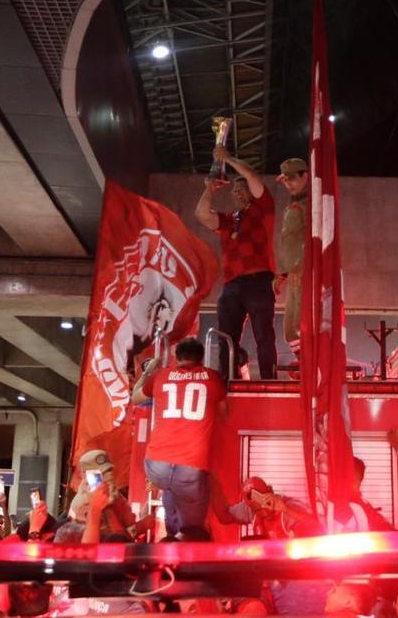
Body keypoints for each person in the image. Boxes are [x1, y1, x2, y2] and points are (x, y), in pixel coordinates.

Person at [195, 147, 278, 379]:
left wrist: (228, 159)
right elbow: (202, 214)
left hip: (259, 280)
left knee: (264, 333)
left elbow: (252, 176)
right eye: (235, 190)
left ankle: (268, 380)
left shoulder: (263, 209)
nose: (238, 193)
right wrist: (209, 189)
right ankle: (225, 379)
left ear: (251, 192)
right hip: (232, 284)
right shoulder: (230, 220)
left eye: (242, 189)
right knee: (225, 336)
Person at [132, 337, 227, 536]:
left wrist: (149, 370)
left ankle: (171, 537)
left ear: (176, 358)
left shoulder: (161, 375)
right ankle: (182, 540)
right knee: (192, 530)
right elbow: (223, 413)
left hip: (155, 465)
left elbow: (136, 397)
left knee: (170, 486)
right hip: (190, 467)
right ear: (201, 359)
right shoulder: (212, 377)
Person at [274, 157, 309, 361]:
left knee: (300, 324)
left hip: (305, 271)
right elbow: (290, 242)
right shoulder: (294, 203)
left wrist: (300, 267)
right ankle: (303, 363)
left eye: (291, 179)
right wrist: (284, 272)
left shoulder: (311, 203)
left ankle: (309, 363)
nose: (288, 184)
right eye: (285, 181)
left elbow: (313, 238)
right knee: (292, 326)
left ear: (305, 175)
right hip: (295, 272)